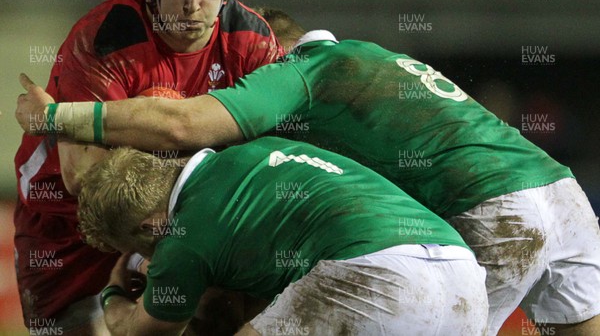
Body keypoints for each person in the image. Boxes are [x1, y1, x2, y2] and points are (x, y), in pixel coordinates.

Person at [16, 9, 600, 335]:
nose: (249, 79)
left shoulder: (297, 73)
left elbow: (182, 126)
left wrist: (62, 117)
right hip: (562, 194)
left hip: (490, 214)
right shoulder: (372, 55)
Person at [13, 0, 282, 335]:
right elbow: (83, 176)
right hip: (71, 222)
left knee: (220, 315)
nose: (192, 6)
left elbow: (274, 157)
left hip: (179, 215)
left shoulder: (252, 41)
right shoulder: (105, 38)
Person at [77, 137, 488, 335]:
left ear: (151, 227)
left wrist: (112, 295)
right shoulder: (256, 149)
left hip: (377, 278)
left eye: (137, 248)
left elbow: (141, 333)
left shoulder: (183, 241)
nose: (148, 258)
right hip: (464, 277)